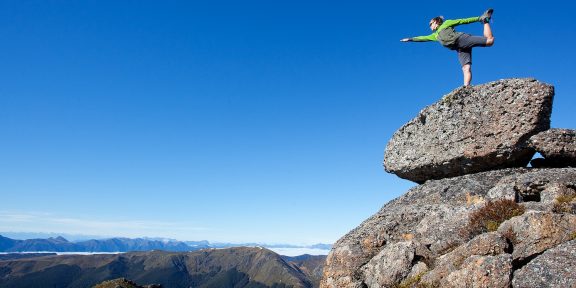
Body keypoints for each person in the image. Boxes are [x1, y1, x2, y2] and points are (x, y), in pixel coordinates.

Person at [400, 9, 494, 86]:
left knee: (490, 41)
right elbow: (423, 38)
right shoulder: (435, 35)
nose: (430, 26)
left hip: (462, 39)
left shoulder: (446, 23)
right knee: (466, 68)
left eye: (430, 24)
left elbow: (463, 21)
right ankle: (466, 88)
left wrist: (478, 18)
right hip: (460, 48)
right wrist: (410, 39)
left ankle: (484, 20)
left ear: (436, 22)